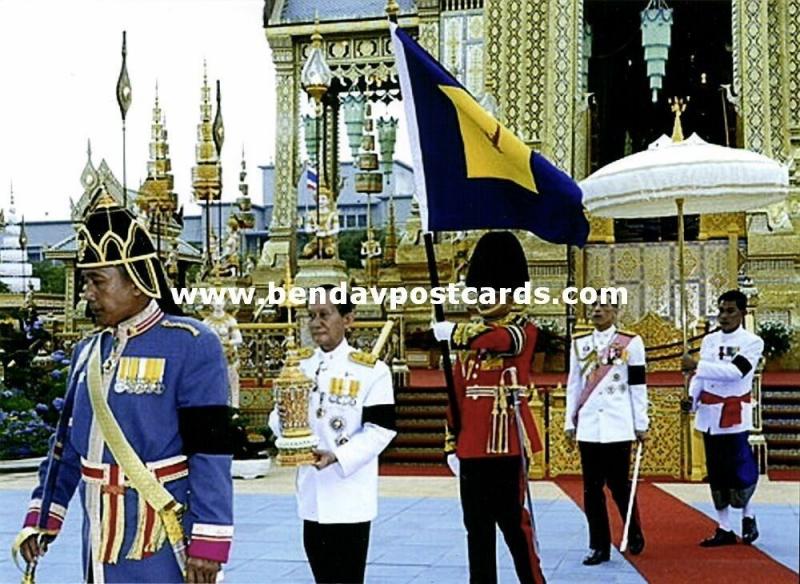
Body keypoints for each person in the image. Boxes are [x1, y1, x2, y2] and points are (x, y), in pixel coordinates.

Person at [12, 196, 234, 583]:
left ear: (137, 281)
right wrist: (43, 516)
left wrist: (209, 541)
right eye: (85, 281)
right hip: (98, 534)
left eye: (98, 281)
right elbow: (64, 448)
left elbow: (210, 451)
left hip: (159, 536)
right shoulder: (87, 352)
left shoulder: (192, 343)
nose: (87, 293)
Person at [431, 231, 545, 584]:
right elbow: (457, 394)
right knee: (476, 531)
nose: (483, 297)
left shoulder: (522, 330)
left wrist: (453, 332)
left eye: (490, 290)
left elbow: (503, 341)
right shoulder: (471, 341)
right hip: (471, 448)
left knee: (514, 525)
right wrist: (452, 442)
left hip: (506, 443)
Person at [269, 286, 396, 583]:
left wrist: (338, 456)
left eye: (325, 315)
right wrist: (286, 436)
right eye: (311, 316)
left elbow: (381, 430)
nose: (316, 323)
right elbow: (278, 416)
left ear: (348, 319)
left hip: (349, 493)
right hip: (312, 494)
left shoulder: (371, 371)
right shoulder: (299, 365)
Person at [564, 298, 648, 565]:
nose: (597, 310)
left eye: (604, 306)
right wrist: (570, 421)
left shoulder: (630, 343)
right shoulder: (580, 343)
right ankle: (598, 545)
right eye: (593, 307)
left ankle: (633, 530)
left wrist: (641, 424)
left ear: (616, 311)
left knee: (619, 487)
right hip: (589, 426)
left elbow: (637, 385)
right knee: (591, 490)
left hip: (617, 424)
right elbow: (573, 384)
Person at [682, 289, 764, 547]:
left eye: (730, 311)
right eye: (721, 311)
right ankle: (724, 526)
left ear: (742, 312)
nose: (724, 316)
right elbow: (701, 379)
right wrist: (691, 399)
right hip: (709, 416)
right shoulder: (709, 341)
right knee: (717, 474)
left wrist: (697, 365)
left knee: (738, 472)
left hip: (733, 416)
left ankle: (748, 516)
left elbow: (735, 372)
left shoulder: (752, 342)